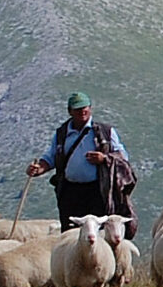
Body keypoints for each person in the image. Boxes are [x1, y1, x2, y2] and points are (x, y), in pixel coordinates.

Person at [27, 92, 137, 231]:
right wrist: (38, 169)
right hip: (70, 191)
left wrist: (104, 159)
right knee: (70, 233)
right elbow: (51, 157)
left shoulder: (105, 132)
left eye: (85, 107)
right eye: (78, 108)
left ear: (90, 108)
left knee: (96, 234)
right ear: (70, 111)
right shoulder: (62, 133)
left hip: (97, 190)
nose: (82, 111)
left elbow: (123, 157)